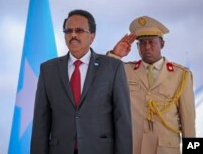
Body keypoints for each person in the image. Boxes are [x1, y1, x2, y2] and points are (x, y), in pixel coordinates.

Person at [30, 9, 132, 154]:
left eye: (79, 30)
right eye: (68, 31)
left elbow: (122, 120)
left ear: (92, 36)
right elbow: (41, 122)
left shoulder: (112, 67)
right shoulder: (48, 70)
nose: (73, 35)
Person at [107, 16, 196, 154]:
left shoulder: (181, 75)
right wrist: (115, 55)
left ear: (162, 44)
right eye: (142, 43)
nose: (147, 47)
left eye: (152, 42)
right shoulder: (124, 71)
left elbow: (189, 123)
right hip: (133, 149)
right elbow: (102, 79)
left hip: (165, 150)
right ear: (137, 47)